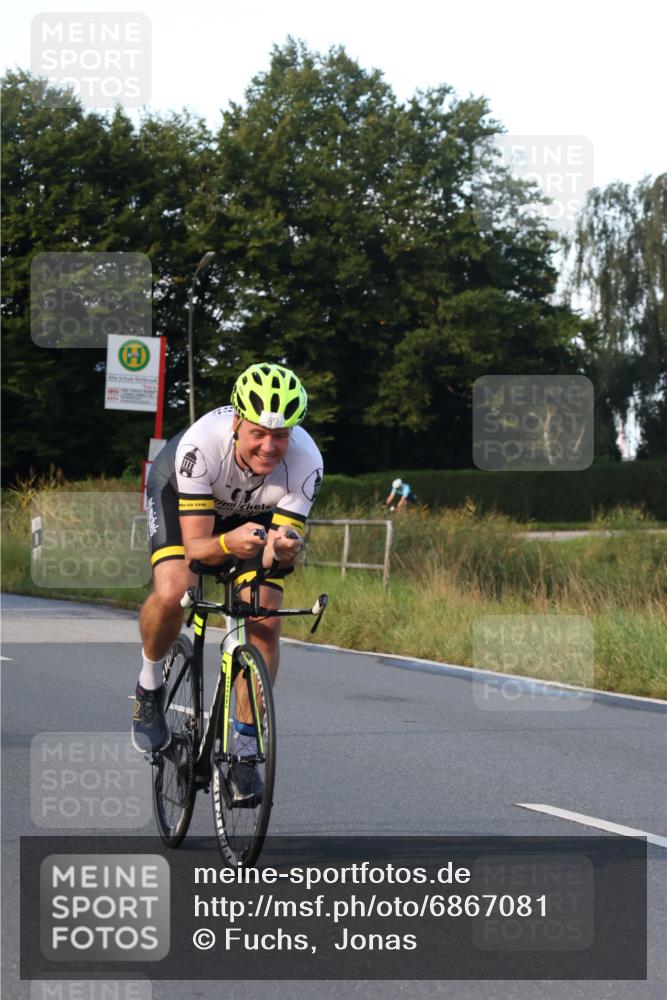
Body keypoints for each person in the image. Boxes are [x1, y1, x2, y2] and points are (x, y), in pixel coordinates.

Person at [131, 362, 323, 803]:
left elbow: (280, 544)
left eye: (281, 436)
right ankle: (148, 686)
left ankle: (242, 749)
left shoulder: (307, 462)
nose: (270, 447)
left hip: (255, 512)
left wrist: (282, 548)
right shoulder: (201, 446)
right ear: (237, 423)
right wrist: (228, 541)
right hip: (184, 496)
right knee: (173, 590)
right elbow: (198, 549)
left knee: (265, 617)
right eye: (259, 433)